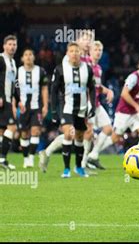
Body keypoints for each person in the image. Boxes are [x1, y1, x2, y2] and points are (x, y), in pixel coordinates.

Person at [39, 31, 95, 172]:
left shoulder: (88, 67)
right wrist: (53, 109)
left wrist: (92, 104)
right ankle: (67, 168)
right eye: (72, 51)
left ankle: (80, 166)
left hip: (82, 107)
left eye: (77, 51)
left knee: (81, 135)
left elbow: (92, 87)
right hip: (67, 106)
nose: (75, 53)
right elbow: (54, 89)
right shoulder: (62, 67)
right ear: (68, 53)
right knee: (69, 134)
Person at [93, 57, 139, 157]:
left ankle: (137, 158)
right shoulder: (133, 77)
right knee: (115, 137)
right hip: (123, 112)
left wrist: (138, 106)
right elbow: (124, 94)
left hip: (133, 113)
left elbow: (138, 95)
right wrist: (137, 106)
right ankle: (93, 153)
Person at [82, 41, 114, 169]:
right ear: (89, 51)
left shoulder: (99, 68)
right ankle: (83, 162)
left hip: (96, 103)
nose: (98, 52)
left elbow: (97, 87)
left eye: (100, 50)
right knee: (88, 132)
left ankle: (93, 155)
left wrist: (108, 91)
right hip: (86, 103)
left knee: (108, 129)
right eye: (95, 49)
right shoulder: (84, 63)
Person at [17, 48, 49, 168]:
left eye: (31, 54)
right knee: (24, 134)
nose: (28, 57)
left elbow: (44, 89)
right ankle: (25, 158)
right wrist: (15, 106)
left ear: (34, 57)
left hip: (37, 107)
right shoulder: (17, 72)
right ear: (22, 58)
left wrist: (45, 105)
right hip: (23, 107)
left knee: (35, 131)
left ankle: (31, 157)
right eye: (26, 55)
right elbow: (15, 90)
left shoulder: (40, 71)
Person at [0, 35, 24, 170]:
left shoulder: (13, 62)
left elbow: (15, 83)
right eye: (9, 44)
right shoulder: (1, 59)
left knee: (2, 131)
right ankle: (2, 158)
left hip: (9, 100)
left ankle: (1, 158)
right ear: (4, 46)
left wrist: (19, 100)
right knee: (12, 128)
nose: (12, 47)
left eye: (14, 44)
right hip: (4, 100)